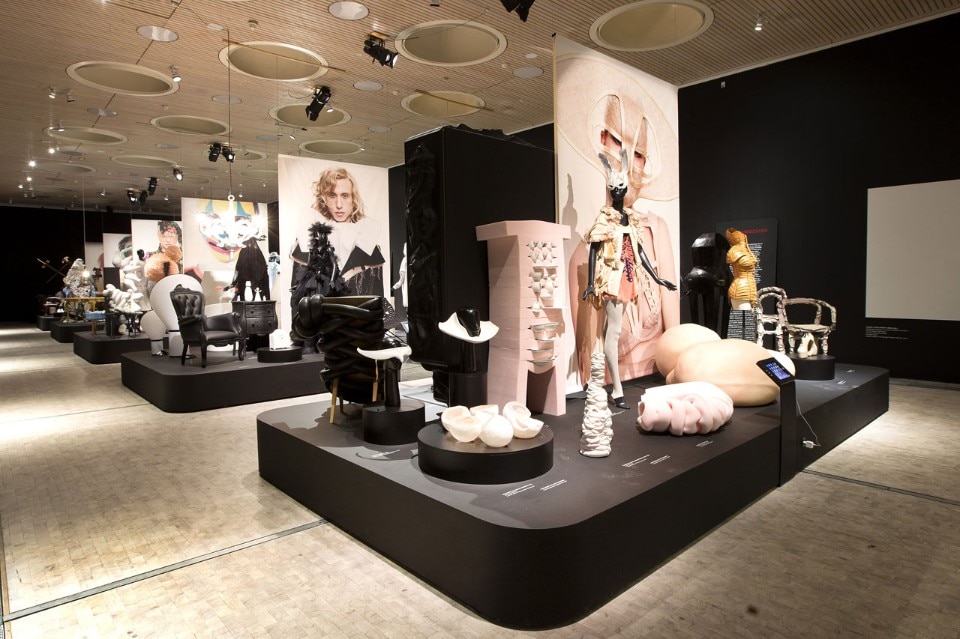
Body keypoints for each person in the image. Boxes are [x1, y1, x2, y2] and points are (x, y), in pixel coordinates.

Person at [582, 149, 677, 409]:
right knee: (613, 331)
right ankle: (617, 390)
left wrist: (658, 279)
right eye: (614, 188)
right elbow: (594, 250)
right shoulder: (605, 219)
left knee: (610, 331)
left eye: (621, 188)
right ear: (610, 189)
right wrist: (590, 283)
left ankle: (605, 384)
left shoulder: (630, 218)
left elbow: (639, 251)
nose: (618, 192)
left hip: (628, 277)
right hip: (612, 279)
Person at [289, 166, 385, 299]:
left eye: (345, 196)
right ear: (324, 198)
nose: (339, 204)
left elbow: (378, 298)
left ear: (353, 198)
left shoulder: (366, 238)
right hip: (320, 312)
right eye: (332, 195)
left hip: (359, 312)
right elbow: (297, 301)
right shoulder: (307, 239)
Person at [725, 227, 758, 310]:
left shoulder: (747, 250)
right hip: (740, 289)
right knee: (745, 317)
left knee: (750, 317)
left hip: (751, 287)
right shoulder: (733, 251)